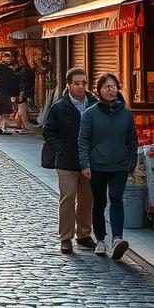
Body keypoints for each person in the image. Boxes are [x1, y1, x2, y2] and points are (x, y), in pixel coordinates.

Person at [78, 73, 137, 260]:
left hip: (120, 165)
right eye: (106, 87)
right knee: (100, 202)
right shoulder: (90, 113)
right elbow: (83, 141)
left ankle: (117, 239)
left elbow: (132, 141)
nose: (110, 90)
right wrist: (85, 164)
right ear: (99, 91)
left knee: (116, 198)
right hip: (97, 165)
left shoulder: (126, 114)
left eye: (113, 87)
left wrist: (131, 162)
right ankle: (101, 240)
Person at [43, 68, 97, 253]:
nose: (80, 86)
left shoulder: (95, 104)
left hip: (89, 162)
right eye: (76, 83)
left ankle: (84, 234)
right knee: (68, 198)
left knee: (87, 199)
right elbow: (48, 131)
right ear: (69, 85)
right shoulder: (59, 107)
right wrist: (59, 149)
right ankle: (65, 237)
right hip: (67, 162)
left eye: (83, 83)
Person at [0, 50, 20, 135]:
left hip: (3, 92)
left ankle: (1, 127)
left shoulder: (1, 68)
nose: (8, 59)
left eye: (9, 57)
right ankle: (2, 128)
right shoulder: (2, 68)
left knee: (3, 111)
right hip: (3, 93)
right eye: (6, 57)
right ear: (2, 58)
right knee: (5, 111)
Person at [15, 55, 38, 134]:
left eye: (21, 60)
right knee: (21, 110)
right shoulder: (28, 70)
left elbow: (19, 78)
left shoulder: (25, 70)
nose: (20, 62)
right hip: (26, 91)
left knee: (23, 110)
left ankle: (25, 126)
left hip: (24, 92)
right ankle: (21, 125)